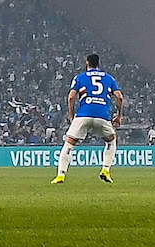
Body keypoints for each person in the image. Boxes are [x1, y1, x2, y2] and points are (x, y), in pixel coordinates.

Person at [51, 52, 119, 184]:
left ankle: (60, 175)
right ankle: (105, 170)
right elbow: (119, 97)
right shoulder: (109, 78)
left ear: (87, 63)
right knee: (111, 141)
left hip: (83, 114)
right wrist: (119, 116)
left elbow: (71, 96)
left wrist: (71, 115)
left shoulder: (80, 77)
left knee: (69, 143)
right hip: (102, 116)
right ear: (99, 64)